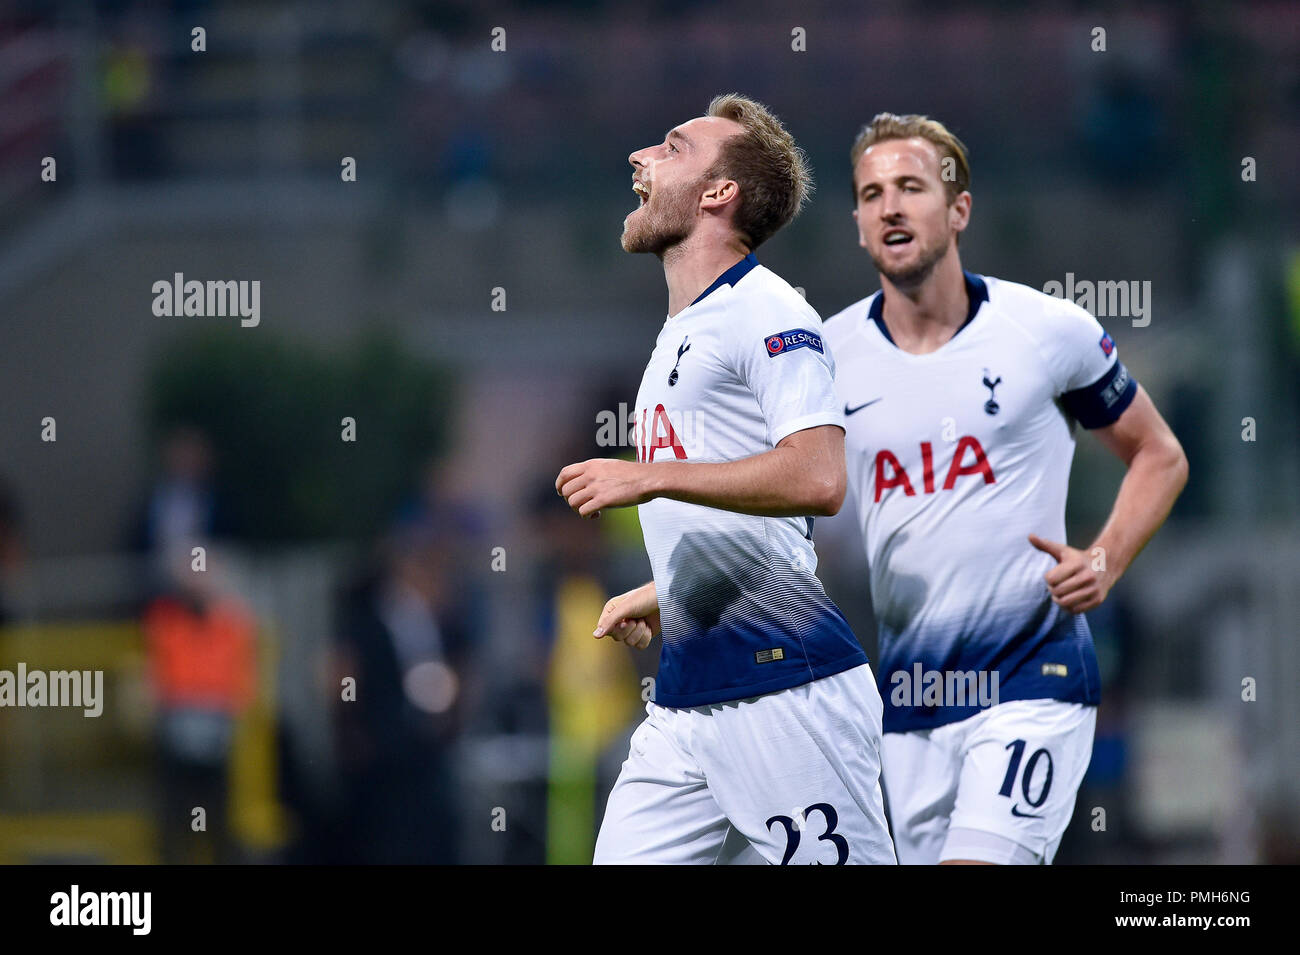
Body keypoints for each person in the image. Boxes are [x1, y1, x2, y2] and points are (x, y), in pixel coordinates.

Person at [822, 113, 1188, 864]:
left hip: (1033, 678)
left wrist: (1106, 559)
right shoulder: (825, 358)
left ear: (959, 210)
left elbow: (1160, 454)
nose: (890, 205)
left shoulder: (1047, 332)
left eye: (911, 187)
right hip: (912, 698)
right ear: (859, 224)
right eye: (871, 193)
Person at [555, 94, 895, 865]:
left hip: (785, 688)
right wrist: (671, 590)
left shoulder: (770, 311)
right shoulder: (683, 330)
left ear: (718, 194)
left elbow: (816, 477)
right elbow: (764, 520)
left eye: (671, 148)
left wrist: (650, 478)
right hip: (685, 698)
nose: (641, 158)